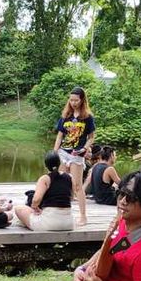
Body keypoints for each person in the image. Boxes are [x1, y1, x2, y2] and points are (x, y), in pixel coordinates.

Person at [53, 87, 95, 226]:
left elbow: (91, 138)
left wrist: (84, 148)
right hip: (63, 153)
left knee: (77, 186)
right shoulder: (66, 115)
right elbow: (59, 136)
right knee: (59, 182)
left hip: (77, 155)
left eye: (76, 100)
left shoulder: (87, 117)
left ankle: (83, 216)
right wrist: (55, 152)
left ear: (82, 100)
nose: (73, 102)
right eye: (71, 100)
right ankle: (57, 212)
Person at [14, 151, 74, 232]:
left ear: (46, 165)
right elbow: (71, 197)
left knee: (19, 209)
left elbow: (36, 200)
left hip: (49, 224)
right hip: (68, 223)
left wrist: (35, 208)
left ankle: (25, 222)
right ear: (59, 163)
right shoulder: (70, 177)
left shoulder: (45, 179)